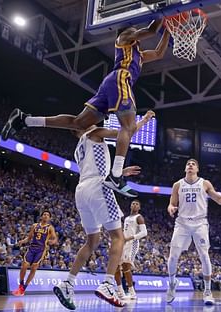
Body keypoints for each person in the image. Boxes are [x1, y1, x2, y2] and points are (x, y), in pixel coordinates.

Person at [0, 20, 170, 197]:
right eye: (135, 28)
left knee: (79, 124)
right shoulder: (124, 37)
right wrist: (164, 16)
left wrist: (169, 30)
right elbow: (150, 30)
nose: (137, 30)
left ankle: (24, 120)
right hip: (120, 79)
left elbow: (158, 53)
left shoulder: (139, 55)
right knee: (127, 126)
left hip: (110, 84)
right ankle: (116, 175)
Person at [53, 115, 152, 310]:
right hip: (98, 188)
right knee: (118, 237)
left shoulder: (79, 148)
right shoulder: (94, 133)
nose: (92, 119)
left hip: (81, 191)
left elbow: (95, 168)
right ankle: (108, 283)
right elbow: (127, 132)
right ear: (82, 126)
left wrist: (120, 172)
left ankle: (67, 283)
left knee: (92, 241)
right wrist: (145, 120)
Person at [166, 158, 221, 305]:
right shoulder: (177, 185)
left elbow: (220, 200)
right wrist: (170, 208)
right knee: (173, 255)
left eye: (193, 164)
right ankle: (172, 283)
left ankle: (207, 291)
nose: (190, 165)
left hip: (200, 223)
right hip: (182, 223)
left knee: (204, 255)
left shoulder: (205, 183)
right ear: (185, 168)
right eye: (188, 164)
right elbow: (172, 203)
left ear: (197, 169)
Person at [12, 210, 57, 296]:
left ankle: (24, 289)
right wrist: (22, 241)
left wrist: (52, 241)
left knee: (33, 267)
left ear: (49, 218)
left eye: (47, 215)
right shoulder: (35, 226)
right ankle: (21, 285)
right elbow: (29, 238)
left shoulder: (50, 227)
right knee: (24, 266)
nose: (46, 216)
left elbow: (55, 238)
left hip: (41, 249)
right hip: (32, 248)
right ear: (41, 216)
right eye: (44, 214)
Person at [114, 199, 147, 300]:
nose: (135, 205)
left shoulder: (139, 217)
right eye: (133, 203)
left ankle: (132, 293)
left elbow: (144, 233)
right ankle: (120, 292)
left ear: (139, 207)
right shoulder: (127, 218)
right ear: (130, 206)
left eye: (137, 204)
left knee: (126, 267)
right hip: (123, 243)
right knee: (115, 267)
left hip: (132, 244)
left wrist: (129, 238)